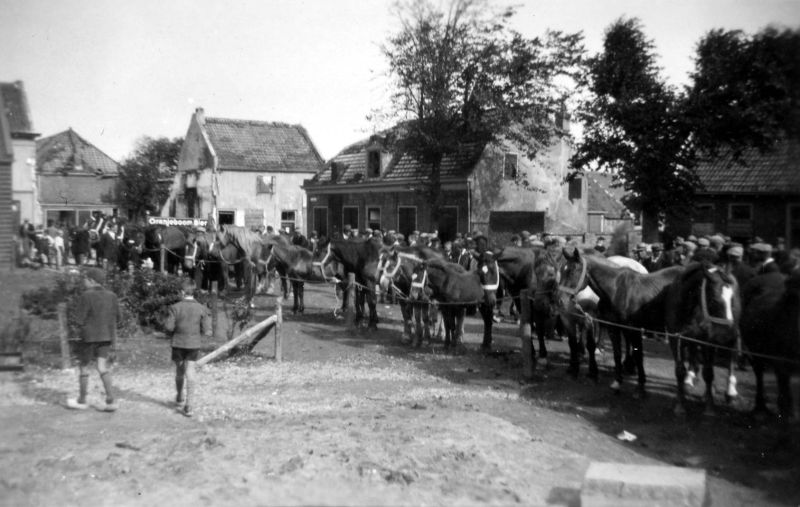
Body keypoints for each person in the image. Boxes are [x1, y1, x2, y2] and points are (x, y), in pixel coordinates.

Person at [67, 268, 119, 412]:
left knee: (83, 366)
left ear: (91, 280)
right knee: (102, 367)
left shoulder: (86, 295)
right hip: (107, 337)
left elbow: (79, 320)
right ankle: (111, 400)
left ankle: (82, 400)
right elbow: (117, 318)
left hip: (88, 337)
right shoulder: (112, 296)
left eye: (85, 279)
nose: (83, 282)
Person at [164, 278, 212, 417]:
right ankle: (189, 405)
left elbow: (169, 327)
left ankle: (179, 396)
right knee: (190, 371)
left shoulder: (175, 307)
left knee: (179, 372)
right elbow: (207, 329)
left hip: (178, 343)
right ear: (193, 291)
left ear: (182, 292)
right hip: (193, 344)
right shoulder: (201, 308)